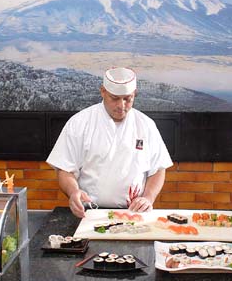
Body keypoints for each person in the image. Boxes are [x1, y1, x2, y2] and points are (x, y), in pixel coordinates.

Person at [47, 67, 173, 218]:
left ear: (135, 94)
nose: (121, 105)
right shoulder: (80, 122)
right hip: (89, 212)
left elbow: (158, 169)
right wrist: (74, 192)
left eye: (128, 98)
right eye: (114, 98)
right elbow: (65, 168)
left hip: (133, 213)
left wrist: (148, 198)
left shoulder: (146, 125)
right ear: (103, 91)